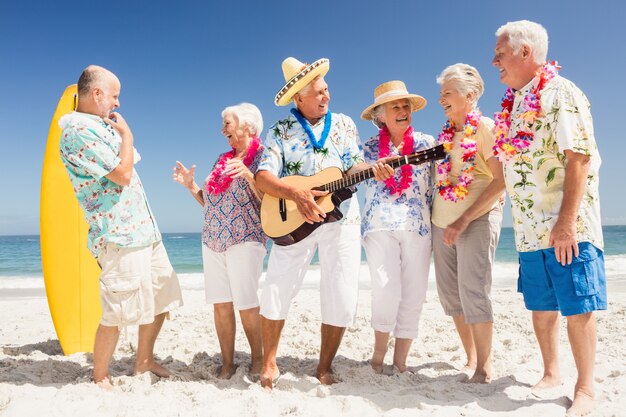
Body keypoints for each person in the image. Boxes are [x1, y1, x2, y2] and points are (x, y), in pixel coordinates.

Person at [255, 57, 393, 389]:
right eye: (317, 92)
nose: (326, 96)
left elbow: (354, 167)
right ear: (299, 98)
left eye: (326, 89)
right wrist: (296, 193)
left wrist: (374, 166)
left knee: (341, 291)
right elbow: (263, 177)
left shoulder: (344, 124)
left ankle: (324, 366)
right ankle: (270, 362)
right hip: (294, 219)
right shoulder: (280, 131)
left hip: (341, 217)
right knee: (276, 287)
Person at [492, 20, 606, 415]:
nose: (495, 61)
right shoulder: (512, 102)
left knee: (578, 304)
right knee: (541, 305)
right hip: (527, 229)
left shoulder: (561, 92)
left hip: (565, 226)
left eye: (501, 53)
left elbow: (579, 158)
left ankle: (586, 388)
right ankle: (551, 371)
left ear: (526, 53)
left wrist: (566, 222)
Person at [59, 65, 183, 388]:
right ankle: (100, 375)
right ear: (97, 94)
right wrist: (128, 135)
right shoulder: (76, 132)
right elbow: (123, 173)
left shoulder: (100, 127)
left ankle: (143, 360)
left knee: (161, 297)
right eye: (114, 96)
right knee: (116, 311)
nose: (117, 103)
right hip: (119, 234)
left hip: (144, 229)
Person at [172, 103, 266, 379]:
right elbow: (211, 203)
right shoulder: (221, 160)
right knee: (221, 304)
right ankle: (228, 363)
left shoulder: (262, 157)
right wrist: (191, 186)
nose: (222, 128)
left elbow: (270, 202)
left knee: (246, 302)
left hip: (245, 237)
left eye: (228, 123)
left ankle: (258, 360)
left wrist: (249, 175)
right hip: (212, 239)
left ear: (247, 127)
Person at [431, 64, 505, 384]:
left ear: (470, 95)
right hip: (440, 222)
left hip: (474, 220)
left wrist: (463, 219)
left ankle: (485, 367)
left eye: (447, 93)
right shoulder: (446, 133)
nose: (441, 99)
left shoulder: (486, 127)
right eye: (441, 93)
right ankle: (471, 356)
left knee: (473, 291)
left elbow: (501, 181)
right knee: (451, 295)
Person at [359, 81, 436, 374]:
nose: (403, 111)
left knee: (414, 293)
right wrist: (371, 169)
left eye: (406, 106)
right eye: (395, 107)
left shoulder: (427, 143)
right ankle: (378, 358)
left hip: (418, 226)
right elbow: (354, 175)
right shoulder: (367, 149)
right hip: (379, 225)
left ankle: (400, 362)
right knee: (386, 290)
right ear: (381, 116)